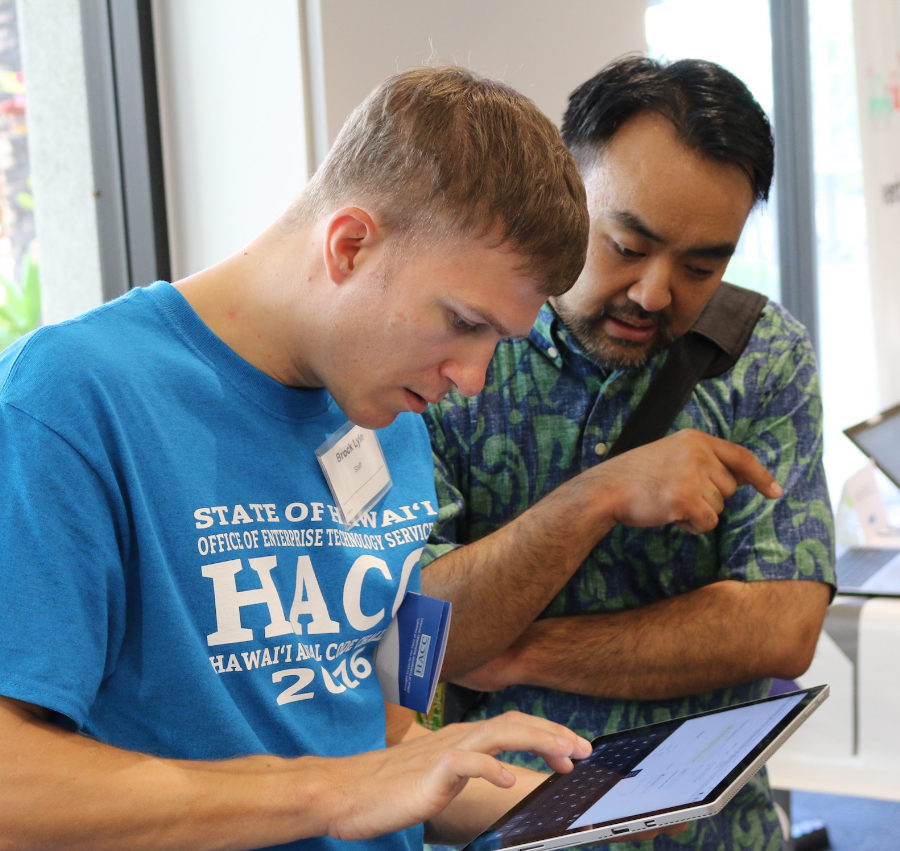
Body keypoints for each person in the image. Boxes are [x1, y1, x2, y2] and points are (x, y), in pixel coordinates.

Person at [0, 65, 605, 851]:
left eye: (499, 340)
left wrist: (582, 811)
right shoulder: (69, 400)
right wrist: (330, 792)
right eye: (462, 322)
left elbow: (387, 740)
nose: (472, 378)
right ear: (350, 245)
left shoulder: (393, 420)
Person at [421, 55, 836, 850]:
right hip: (499, 824)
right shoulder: (465, 345)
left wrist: (517, 650)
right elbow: (423, 625)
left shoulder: (762, 355)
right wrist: (600, 494)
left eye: (701, 265)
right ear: (565, 188)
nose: (654, 292)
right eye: (626, 245)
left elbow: (780, 626)